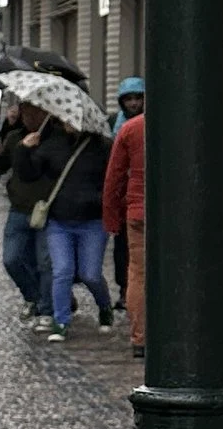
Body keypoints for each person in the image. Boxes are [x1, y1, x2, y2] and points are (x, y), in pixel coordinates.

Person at [17, 110, 112, 337]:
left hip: (93, 222)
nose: (69, 122)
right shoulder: (52, 144)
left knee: (90, 274)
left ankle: (105, 306)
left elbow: (113, 180)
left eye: (74, 118)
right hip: (59, 222)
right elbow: (29, 174)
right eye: (65, 118)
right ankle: (61, 321)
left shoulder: (103, 147)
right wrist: (24, 150)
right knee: (62, 271)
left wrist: (100, 200)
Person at [0, 100, 54, 324]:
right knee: (12, 259)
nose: (28, 116)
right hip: (18, 208)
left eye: (35, 110)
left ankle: (46, 308)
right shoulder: (15, 137)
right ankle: (33, 297)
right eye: (25, 110)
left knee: (45, 263)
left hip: (46, 210)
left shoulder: (55, 139)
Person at [102, 88, 146, 354]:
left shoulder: (130, 129)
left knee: (138, 275)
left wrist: (111, 218)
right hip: (177, 215)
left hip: (138, 212)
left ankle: (140, 337)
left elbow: (114, 177)